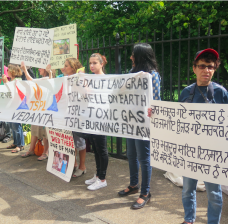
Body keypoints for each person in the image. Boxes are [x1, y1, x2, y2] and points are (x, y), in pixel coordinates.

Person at [179, 49, 228, 224]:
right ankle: (189, 220)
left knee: (214, 193)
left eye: (210, 66)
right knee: (187, 189)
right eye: (202, 66)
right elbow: (175, 120)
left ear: (215, 69)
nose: (206, 70)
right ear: (194, 68)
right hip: (190, 151)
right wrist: (154, 114)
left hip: (212, 152)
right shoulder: (185, 93)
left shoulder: (221, 92)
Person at [117, 43, 161, 209]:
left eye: (133, 55)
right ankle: (134, 184)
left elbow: (155, 100)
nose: (130, 57)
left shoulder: (153, 76)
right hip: (130, 121)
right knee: (131, 154)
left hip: (143, 124)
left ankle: (145, 193)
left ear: (140, 57)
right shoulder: (131, 73)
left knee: (144, 158)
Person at [74, 53, 109, 191]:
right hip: (91, 117)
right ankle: (98, 175)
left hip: (101, 118)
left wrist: (83, 79)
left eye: (95, 63)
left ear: (101, 64)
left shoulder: (104, 79)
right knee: (95, 148)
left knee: (101, 149)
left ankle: (102, 178)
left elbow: (90, 94)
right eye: (90, 63)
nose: (92, 66)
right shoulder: (92, 78)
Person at [20, 62, 55, 161]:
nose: (39, 69)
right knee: (35, 128)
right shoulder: (42, 79)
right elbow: (31, 82)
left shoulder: (48, 78)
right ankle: (31, 149)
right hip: (39, 108)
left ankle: (45, 152)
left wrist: (25, 69)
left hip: (46, 109)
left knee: (44, 131)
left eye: (41, 68)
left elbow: (32, 81)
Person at [60, 58, 87, 178]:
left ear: (73, 67)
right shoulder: (64, 78)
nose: (64, 68)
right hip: (67, 114)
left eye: (66, 66)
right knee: (70, 140)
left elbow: (85, 93)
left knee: (79, 141)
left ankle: (82, 167)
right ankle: (74, 164)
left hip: (78, 114)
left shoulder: (80, 78)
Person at [2, 64, 25, 153]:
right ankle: (15, 142)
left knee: (16, 126)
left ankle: (20, 145)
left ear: (13, 71)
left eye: (8, 70)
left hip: (17, 106)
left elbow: (13, 92)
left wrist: (6, 82)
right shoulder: (11, 80)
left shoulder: (18, 80)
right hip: (11, 106)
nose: (7, 72)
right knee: (13, 126)